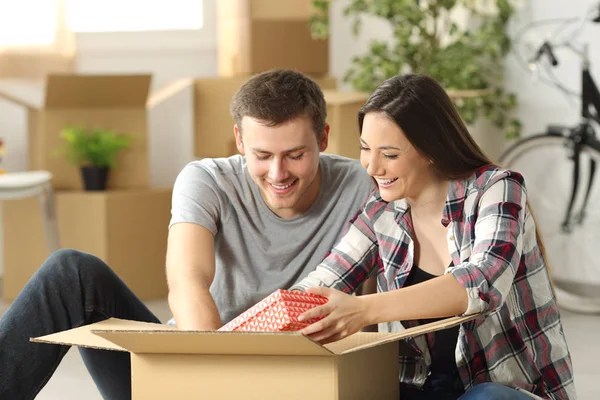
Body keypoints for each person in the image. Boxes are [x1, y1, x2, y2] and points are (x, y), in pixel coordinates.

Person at [0, 69, 375, 400]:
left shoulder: (363, 186)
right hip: (193, 366)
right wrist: (210, 382)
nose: (278, 173)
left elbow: (375, 305)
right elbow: (188, 282)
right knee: (71, 271)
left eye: (295, 155)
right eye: (262, 155)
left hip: (299, 379)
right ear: (240, 141)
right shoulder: (207, 180)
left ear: (323, 138)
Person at [291, 74, 576, 400]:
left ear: (431, 149)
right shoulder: (381, 213)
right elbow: (322, 281)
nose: (371, 167)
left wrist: (364, 309)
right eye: (365, 149)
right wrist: (248, 331)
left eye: (389, 154)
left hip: (504, 392)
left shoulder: (497, 189)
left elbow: (481, 284)